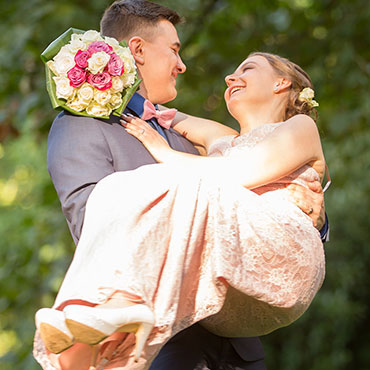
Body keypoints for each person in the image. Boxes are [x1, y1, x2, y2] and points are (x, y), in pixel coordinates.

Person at [33, 1, 329, 369]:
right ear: (138, 50)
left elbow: (242, 182)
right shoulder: (83, 126)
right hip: (162, 339)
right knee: (136, 188)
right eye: (175, 49)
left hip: (236, 341)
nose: (182, 63)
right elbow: (90, 218)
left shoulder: (191, 142)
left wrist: (317, 216)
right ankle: (91, 320)